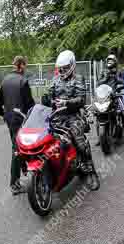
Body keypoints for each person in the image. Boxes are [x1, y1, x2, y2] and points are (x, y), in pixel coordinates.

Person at [41, 50, 100, 190]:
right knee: (45, 139)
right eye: (60, 68)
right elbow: (49, 96)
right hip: (57, 116)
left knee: (80, 143)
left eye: (65, 68)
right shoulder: (55, 80)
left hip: (74, 116)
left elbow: (81, 99)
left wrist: (66, 103)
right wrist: (46, 99)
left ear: (72, 65)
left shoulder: (78, 79)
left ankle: (91, 172)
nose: (62, 71)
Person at [0, 56, 35, 195]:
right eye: (25, 65)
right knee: (18, 149)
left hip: (10, 120)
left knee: (18, 146)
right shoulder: (23, 81)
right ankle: (14, 184)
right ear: (21, 65)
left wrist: (4, 115)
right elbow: (30, 105)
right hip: (21, 120)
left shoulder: (5, 80)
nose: (25, 68)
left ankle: (25, 169)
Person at [96, 54, 124, 144]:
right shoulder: (103, 72)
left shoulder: (118, 72)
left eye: (111, 61)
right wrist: (105, 78)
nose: (110, 62)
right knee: (98, 114)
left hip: (116, 95)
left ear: (115, 62)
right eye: (108, 61)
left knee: (123, 113)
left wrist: (116, 78)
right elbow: (98, 83)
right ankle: (100, 137)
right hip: (104, 97)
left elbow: (123, 82)